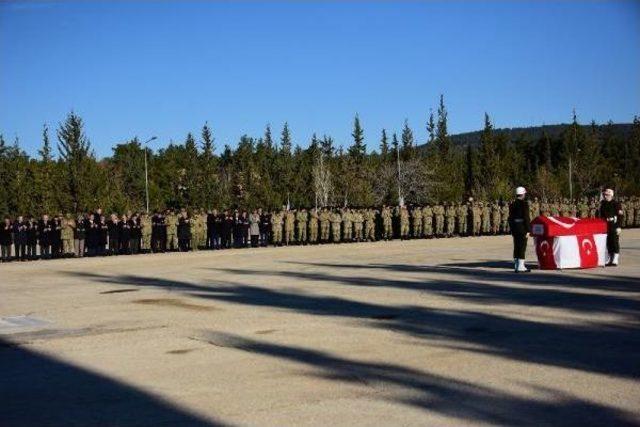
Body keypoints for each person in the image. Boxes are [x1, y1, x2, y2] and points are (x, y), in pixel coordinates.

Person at [508, 186, 531, 273]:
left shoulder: (512, 204)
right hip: (522, 228)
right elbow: (526, 217)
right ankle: (521, 266)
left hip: (515, 228)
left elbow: (510, 218)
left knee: (516, 246)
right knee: (522, 246)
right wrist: (528, 229)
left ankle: (516, 265)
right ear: (523, 194)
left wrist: (512, 228)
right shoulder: (524, 204)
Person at [598, 188, 623, 266]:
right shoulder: (603, 204)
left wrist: (619, 226)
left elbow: (620, 216)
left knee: (614, 242)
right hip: (606, 226)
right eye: (605, 195)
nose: (606, 196)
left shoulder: (616, 204)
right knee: (608, 242)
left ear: (611, 195)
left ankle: (615, 258)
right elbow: (601, 216)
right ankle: (609, 257)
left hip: (614, 225)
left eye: (607, 195)